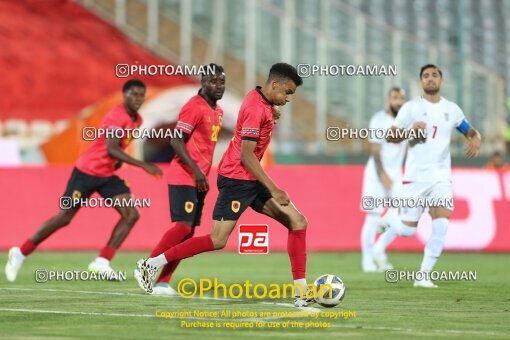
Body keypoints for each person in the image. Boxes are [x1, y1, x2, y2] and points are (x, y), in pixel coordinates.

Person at [136, 63, 312, 307]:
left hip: (249, 178)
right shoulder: (254, 108)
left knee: (298, 221)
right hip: (236, 179)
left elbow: (256, 113)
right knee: (217, 240)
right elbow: (246, 156)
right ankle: (151, 264)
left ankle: (301, 293)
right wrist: (274, 188)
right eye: (288, 92)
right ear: (274, 85)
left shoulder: (258, 98)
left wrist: (272, 111)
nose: (289, 98)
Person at [5, 79, 163, 282]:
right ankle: (20, 252)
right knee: (64, 218)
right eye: (134, 94)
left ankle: (102, 261)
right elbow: (111, 148)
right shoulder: (117, 115)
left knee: (131, 214)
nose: (138, 99)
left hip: (106, 175)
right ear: (124, 96)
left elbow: (118, 148)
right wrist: (143, 164)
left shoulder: (137, 120)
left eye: (141, 95)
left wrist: (115, 165)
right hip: (86, 172)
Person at [373, 64, 481, 288]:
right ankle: (390, 218)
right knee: (407, 230)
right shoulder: (411, 108)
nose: (430, 79)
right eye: (425, 76)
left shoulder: (452, 109)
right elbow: (392, 137)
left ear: (441, 81)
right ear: (421, 82)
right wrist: (411, 131)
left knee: (441, 225)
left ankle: (423, 276)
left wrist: (475, 137)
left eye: (434, 75)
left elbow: (467, 129)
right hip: (415, 177)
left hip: (441, 177)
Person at [135, 64, 225, 295]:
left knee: (189, 232)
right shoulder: (194, 106)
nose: (219, 86)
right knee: (182, 227)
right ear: (203, 82)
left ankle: (164, 281)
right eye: (213, 81)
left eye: (222, 81)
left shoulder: (218, 111)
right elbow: (176, 140)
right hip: (184, 175)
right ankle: (148, 265)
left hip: (199, 179)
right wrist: (195, 171)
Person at [360, 87, 406, 272]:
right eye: (395, 98)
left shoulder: (406, 121)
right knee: (372, 216)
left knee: (403, 214)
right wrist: (383, 175)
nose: (398, 102)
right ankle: (367, 260)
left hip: (396, 175)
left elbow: (408, 148)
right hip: (376, 174)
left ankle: (379, 249)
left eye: (401, 98)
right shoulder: (379, 120)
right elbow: (375, 151)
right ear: (388, 100)